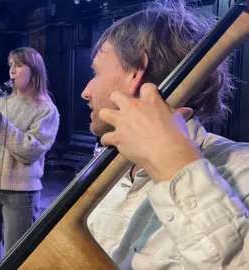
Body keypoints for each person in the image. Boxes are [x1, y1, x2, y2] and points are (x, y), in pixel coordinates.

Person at [82, 1, 249, 269]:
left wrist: (173, 162)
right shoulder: (108, 169)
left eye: (96, 72)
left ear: (135, 73)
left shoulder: (243, 171)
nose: (86, 91)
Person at [0, 47, 60, 269]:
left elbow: (30, 151)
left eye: (18, 65)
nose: (12, 71)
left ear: (34, 70)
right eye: (10, 66)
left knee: (15, 253)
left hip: (20, 193)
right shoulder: (2, 103)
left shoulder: (47, 110)